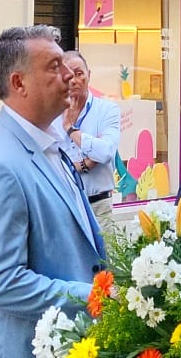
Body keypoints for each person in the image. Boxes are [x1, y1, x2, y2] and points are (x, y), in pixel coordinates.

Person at [0, 26, 101, 358]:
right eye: (54, 66)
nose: (69, 76)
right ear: (19, 83)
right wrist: (93, 298)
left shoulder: (49, 143)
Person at [59, 51, 120, 231]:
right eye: (68, 75)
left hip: (99, 206)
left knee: (105, 258)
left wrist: (70, 129)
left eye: (79, 74)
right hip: (64, 206)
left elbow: (106, 152)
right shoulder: (51, 114)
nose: (74, 80)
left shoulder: (107, 110)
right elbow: (50, 158)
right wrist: (87, 162)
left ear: (89, 75)